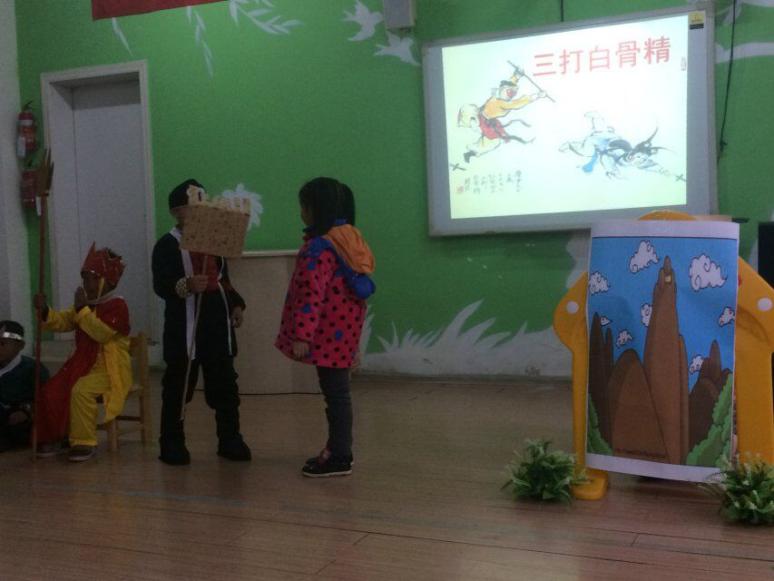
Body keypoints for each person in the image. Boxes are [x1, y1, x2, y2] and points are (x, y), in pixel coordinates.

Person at [276, 177, 375, 477]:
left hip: (327, 334)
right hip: (345, 331)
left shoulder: (319, 248)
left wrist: (302, 335)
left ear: (317, 209)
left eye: (304, 206)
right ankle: (338, 450)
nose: (301, 212)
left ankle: (340, 455)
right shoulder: (349, 239)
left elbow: (311, 294)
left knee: (336, 396)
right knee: (338, 394)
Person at [152, 178, 251, 465]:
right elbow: (161, 284)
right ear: (176, 211)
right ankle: (171, 442)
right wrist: (185, 285)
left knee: (225, 384)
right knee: (178, 386)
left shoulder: (214, 241)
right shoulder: (166, 245)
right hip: (184, 327)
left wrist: (235, 304)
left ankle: (230, 438)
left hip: (216, 325)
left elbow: (223, 279)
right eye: (192, 206)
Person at [34, 245, 131, 462]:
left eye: (93, 279)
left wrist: (81, 310)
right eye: (85, 279)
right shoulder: (86, 305)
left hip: (109, 369)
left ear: (108, 281)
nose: (87, 285)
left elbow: (101, 334)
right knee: (51, 390)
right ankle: (58, 436)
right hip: (81, 364)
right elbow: (62, 321)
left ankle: (84, 442)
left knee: (80, 390)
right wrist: (45, 310)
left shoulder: (118, 306)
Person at [0, 321, 48, 452]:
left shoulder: (33, 369)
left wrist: (28, 411)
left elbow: (47, 399)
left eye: (2, 344)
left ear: (20, 346)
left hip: (20, 416)